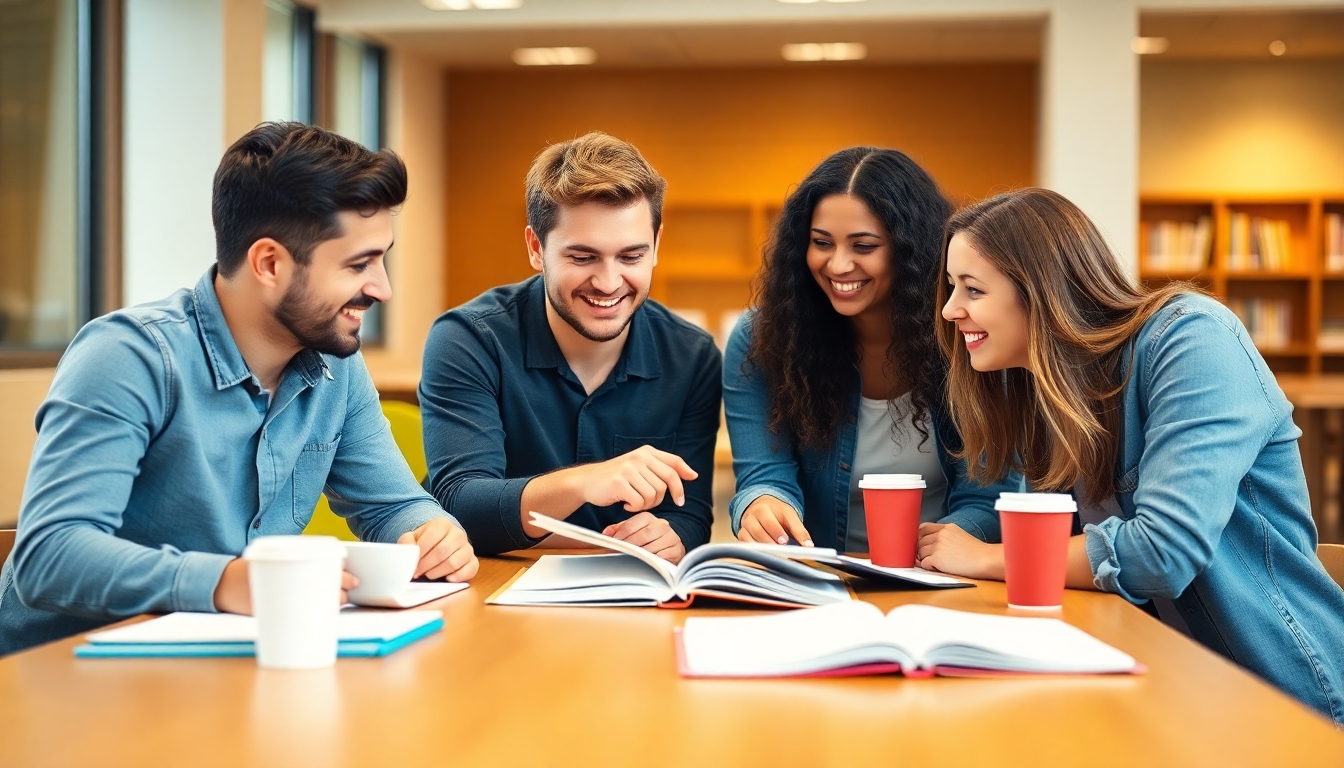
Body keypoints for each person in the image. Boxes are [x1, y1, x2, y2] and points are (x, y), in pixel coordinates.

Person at [0, 123, 478, 655]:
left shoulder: (335, 367)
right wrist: (228, 582)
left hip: (221, 669)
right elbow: (50, 557)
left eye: (382, 258)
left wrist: (432, 532)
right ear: (269, 263)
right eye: (358, 264)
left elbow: (393, 507)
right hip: (61, 682)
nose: (382, 288)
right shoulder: (128, 357)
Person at [922, 187, 1344, 723]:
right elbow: (1068, 553)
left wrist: (982, 558)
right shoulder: (1050, 393)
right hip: (1166, 690)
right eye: (952, 286)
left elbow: (1162, 554)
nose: (950, 309)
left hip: (1287, 701)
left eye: (972, 289)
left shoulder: (1191, 337)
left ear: (1041, 290)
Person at [420, 132, 720, 564]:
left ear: (656, 247)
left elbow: (689, 512)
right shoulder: (468, 339)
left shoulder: (693, 357)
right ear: (536, 249)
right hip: (492, 594)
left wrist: (671, 537)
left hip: (630, 598)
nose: (609, 282)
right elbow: (459, 504)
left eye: (631, 256)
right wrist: (584, 483)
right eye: (583, 258)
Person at [724, 147, 1012, 553]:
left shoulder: (968, 336)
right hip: (822, 583)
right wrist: (763, 505)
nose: (838, 265)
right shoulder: (763, 338)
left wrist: (936, 547)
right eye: (822, 242)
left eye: (864, 246)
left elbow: (985, 497)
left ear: (908, 249)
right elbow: (764, 475)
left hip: (940, 582)